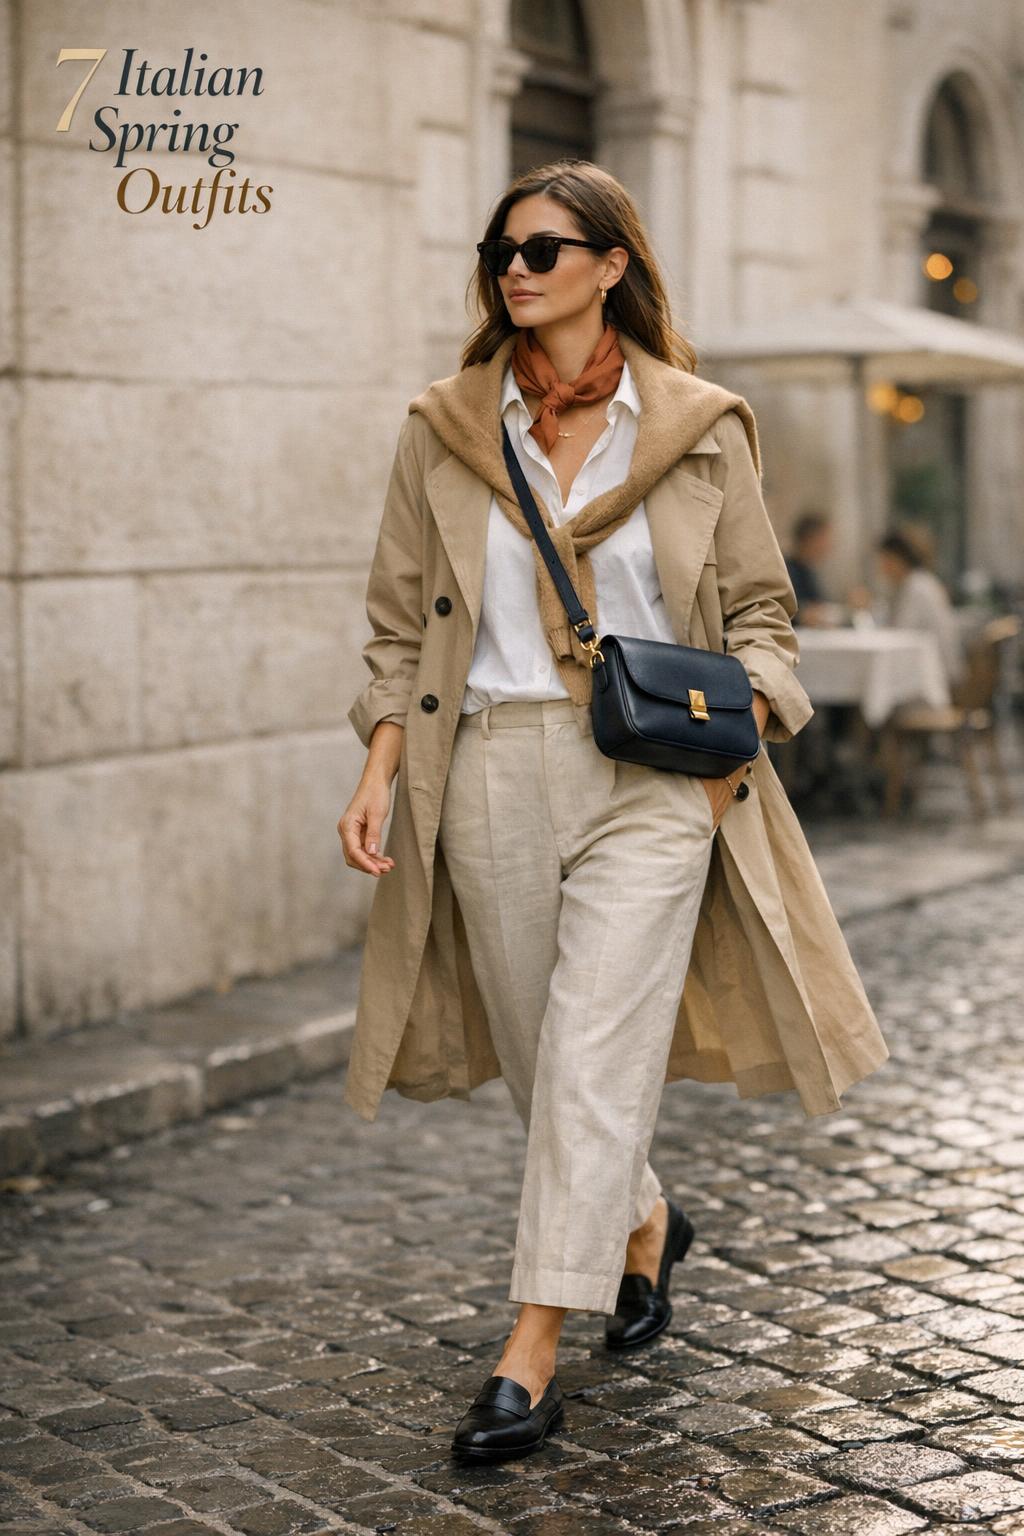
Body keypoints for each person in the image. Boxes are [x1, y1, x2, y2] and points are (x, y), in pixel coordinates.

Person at [338, 158, 889, 1464]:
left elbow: (762, 612)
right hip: (485, 763)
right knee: (545, 1060)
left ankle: (531, 1347)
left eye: (541, 249)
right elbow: (394, 620)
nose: (515, 270)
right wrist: (377, 763)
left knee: (591, 1051)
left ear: (610, 266)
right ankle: (640, 1221)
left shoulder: (698, 427)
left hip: (653, 777)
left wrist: (748, 710)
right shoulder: (446, 425)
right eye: (501, 250)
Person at [876, 531, 964, 687]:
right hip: (928, 668)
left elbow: (900, 634)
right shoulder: (919, 582)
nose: (882, 567)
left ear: (899, 559)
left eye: (885, 559)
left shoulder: (916, 587)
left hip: (933, 677)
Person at [785, 510, 834, 626]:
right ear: (810, 539)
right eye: (825, 539)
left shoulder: (808, 570)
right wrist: (802, 615)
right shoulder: (786, 571)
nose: (829, 546)